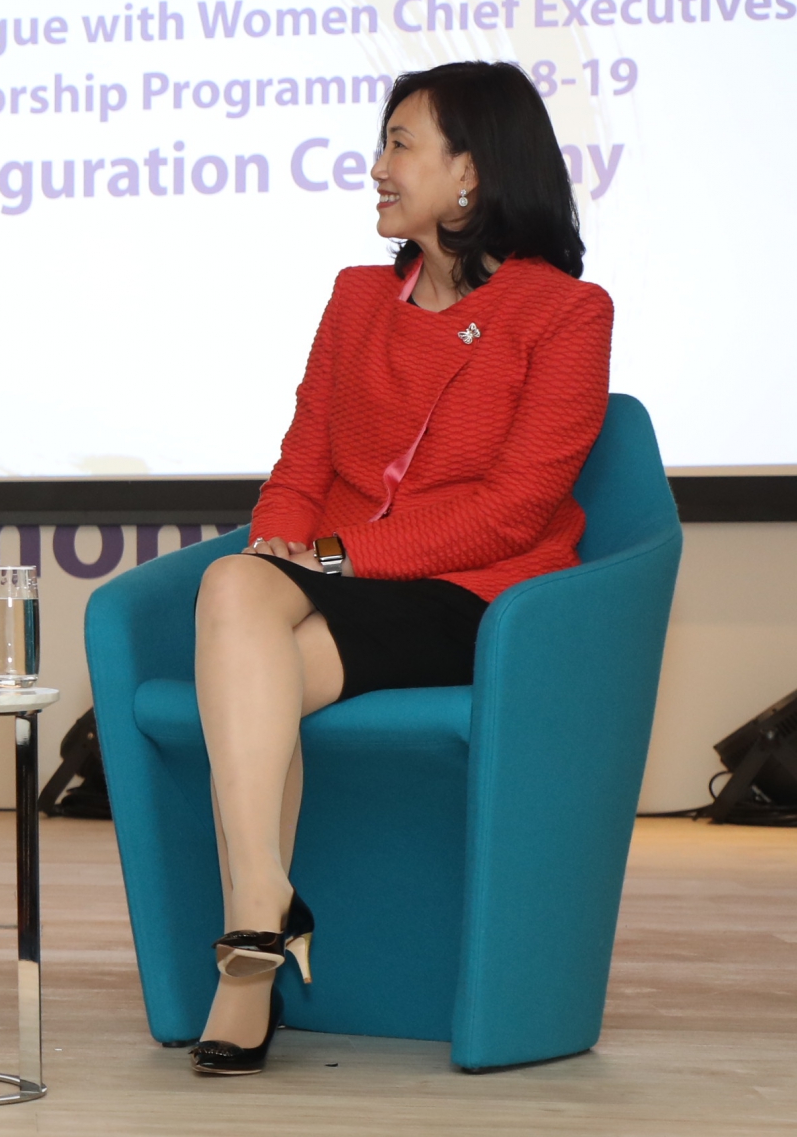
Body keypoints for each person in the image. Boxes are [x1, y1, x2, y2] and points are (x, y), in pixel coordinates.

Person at [189, 61, 612, 1075]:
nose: (377, 167)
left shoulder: (565, 314)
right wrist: (285, 540)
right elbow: (301, 462)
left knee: (242, 599)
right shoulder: (353, 299)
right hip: (337, 583)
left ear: (471, 172)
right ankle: (260, 914)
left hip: (468, 596)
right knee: (238, 584)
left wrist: (338, 553)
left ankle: (254, 937)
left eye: (400, 144)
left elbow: (515, 508)